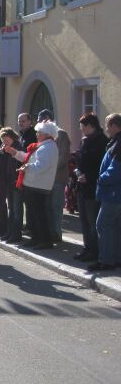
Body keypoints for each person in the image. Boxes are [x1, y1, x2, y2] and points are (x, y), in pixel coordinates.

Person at [4, 121, 59, 248]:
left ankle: (44, 240)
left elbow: (41, 166)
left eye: (39, 132)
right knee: (33, 214)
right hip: (33, 184)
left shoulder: (48, 147)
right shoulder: (42, 146)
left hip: (38, 185)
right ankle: (36, 238)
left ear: (47, 134)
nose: (37, 134)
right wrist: (15, 153)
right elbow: (28, 158)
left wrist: (26, 167)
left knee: (38, 214)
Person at [73, 114, 109, 262]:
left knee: (92, 221)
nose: (81, 129)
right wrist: (77, 170)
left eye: (82, 126)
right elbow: (80, 159)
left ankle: (95, 251)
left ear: (90, 125)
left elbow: (102, 166)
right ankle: (87, 248)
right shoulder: (84, 141)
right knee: (84, 220)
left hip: (93, 188)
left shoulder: (102, 141)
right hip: (82, 186)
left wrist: (88, 176)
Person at [90, 113, 121, 272]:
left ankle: (106, 260)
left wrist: (100, 179)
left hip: (113, 192)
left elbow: (115, 170)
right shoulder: (115, 142)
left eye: (108, 125)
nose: (106, 128)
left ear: (115, 126)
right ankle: (115, 258)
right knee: (114, 226)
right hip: (114, 192)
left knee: (103, 224)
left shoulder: (118, 144)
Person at [37, 110, 71, 242]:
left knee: (55, 206)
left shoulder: (61, 134)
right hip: (45, 177)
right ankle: (48, 232)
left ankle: (56, 233)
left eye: (41, 120)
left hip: (57, 177)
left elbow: (64, 155)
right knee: (47, 206)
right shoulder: (42, 135)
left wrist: (50, 168)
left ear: (47, 119)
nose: (39, 123)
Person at [0, 128, 24, 243]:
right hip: (7, 182)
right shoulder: (3, 148)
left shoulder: (18, 148)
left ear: (12, 138)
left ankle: (16, 233)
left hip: (16, 182)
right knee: (11, 208)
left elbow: (21, 162)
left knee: (17, 209)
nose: (5, 143)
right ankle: (10, 231)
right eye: (3, 141)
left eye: (7, 140)